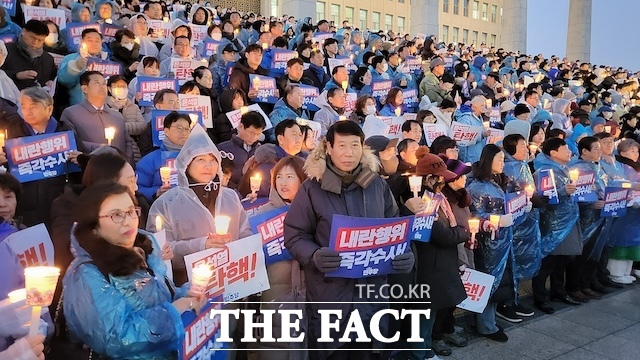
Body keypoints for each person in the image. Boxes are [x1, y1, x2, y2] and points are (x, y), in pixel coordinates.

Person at [283, 121, 413, 359]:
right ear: (328, 148)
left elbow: (395, 229)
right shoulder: (312, 189)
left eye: (355, 145)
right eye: (341, 145)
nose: (348, 152)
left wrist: (405, 255)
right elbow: (294, 234)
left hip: (372, 297)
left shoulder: (377, 185)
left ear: (362, 147)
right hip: (329, 297)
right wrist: (314, 255)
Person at [62, 182, 203, 359]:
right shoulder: (86, 274)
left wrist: (185, 295)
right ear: (94, 227)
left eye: (130, 211)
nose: (128, 221)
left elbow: (162, 298)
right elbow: (115, 339)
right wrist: (175, 310)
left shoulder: (145, 250)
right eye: (116, 215)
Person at [147, 125, 253, 285]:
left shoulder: (230, 196)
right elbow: (161, 250)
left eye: (212, 160)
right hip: (187, 286)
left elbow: (245, 233)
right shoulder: (166, 203)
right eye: (200, 160)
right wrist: (202, 244)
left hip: (230, 280)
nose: (208, 166)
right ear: (187, 164)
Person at [397, 148, 470, 359]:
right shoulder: (421, 201)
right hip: (429, 267)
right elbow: (441, 235)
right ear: (428, 178)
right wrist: (463, 232)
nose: (443, 182)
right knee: (423, 316)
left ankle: (426, 349)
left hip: (439, 266)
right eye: (440, 178)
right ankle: (421, 353)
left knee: (430, 313)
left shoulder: (437, 197)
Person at [3, 87, 81, 228]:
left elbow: (80, 174)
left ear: (49, 109)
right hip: (27, 209)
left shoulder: (65, 134)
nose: (28, 112)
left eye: (33, 107)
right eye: (24, 107)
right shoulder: (15, 136)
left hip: (60, 207)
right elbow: (9, 176)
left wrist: (80, 160)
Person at [255, 156, 308, 359]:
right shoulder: (263, 214)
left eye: (290, 177)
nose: (283, 182)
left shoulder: (314, 212)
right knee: (274, 345)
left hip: (308, 292)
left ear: (303, 179)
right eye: (279, 177)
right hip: (274, 293)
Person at [466, 144, 515, 342]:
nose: (503, 163)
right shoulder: (477, 186)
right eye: (500, 159)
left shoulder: (495, 181)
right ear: (489, 160)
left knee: (496, 282)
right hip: (488, 243)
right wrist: (496, 221)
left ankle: (488, 321)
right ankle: (485, 325)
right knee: (487, 282)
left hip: (501, 240)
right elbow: (475, 215)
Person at [531, 138, 582, 314]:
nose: (569, 151)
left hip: (567, 221)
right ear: (553, 152)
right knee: (548, 261)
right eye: (565, 148)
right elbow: (545, 199)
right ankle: (540, 298)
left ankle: (558, 291)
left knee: (562, 259)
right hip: (553, 224)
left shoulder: (565, 169)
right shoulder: (545, 172)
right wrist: (563, 191)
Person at [498, 134, 543, 322]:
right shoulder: (508, 168)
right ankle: (505, 303)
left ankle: (514, 299)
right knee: (509, 264)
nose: (526, 149)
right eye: (522, 146)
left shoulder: (523, 165)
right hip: (513, 225)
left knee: (519, 263)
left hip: (526, 222)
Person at [60, 71, 135, 162]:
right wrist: (99, 148)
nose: (102, 86)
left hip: (120, 169)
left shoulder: (117, 116)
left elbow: (127, 143)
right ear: (84, 89)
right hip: (89, 169)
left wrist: (129, 164)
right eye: (97, 83)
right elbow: (71, 142)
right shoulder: (71, 113)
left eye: (104, 83)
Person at [237, 119, 305, 197]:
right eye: (294, 135)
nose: (298, 140)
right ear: (280, 139)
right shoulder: (268, 161)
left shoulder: (303, 160)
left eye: (300, 135)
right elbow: (266, 192)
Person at [136, 111, 192, 202]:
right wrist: (156, 192)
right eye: (179, 128)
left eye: (187, 129)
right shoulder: (150, 160)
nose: (184, 133)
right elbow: (137, 188)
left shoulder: (197, 157)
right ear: (166, 131)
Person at [2, 20, 56, 90]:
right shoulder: (5, 51)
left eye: (40, 40)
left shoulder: (48, 59)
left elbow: (54, 78)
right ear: (23, 31)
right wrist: (16, 75)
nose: (35, 42)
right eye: (32, 38)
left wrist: (51, 82)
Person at [58, 28, 106, 105]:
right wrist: (76, 66)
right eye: (90, 40)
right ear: (82, 42)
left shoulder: (108, 61)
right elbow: (64, 80)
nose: (94, 43)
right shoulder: (70, 58)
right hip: (79, 105)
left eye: (97, 41)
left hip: (103, 106)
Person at [218, 111, 266, 187]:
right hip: (231, 194)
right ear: (241, 126)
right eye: (252, 133)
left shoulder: (261, 151)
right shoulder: (223, 149)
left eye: (258, 134)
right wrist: (243, 172)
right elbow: (219, 177)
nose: (254, 137)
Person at [106, 75, 146, 143]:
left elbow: (142, 126)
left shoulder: (134, 107)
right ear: (109, 89)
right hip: (110, 143)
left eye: (124, 86)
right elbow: (105, 126)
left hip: (131, 145)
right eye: (118, 86)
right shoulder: (104, 105)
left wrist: (121, 127)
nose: (121, 89)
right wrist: (114, 109)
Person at [455, 96, 491, 164]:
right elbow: (462, 140)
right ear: (473, 107)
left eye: (484, 105)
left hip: (479, 156)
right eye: (481, 105)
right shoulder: (465, 119)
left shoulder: (480, 118)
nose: (483, 107)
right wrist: (463, 160)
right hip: (469, 158)